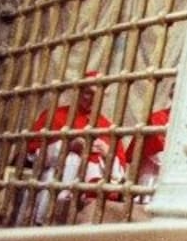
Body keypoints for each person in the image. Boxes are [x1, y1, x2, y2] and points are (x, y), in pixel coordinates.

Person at [26, 71, 127, 223]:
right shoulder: (55, 115)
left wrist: (107, 154)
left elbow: (118, 175)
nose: (94, 99)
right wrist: (67, 146)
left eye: (99, 94)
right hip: (56, 187)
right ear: (78, 92)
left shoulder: (108, 127)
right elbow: (32, 155)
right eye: (88, 93)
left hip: (91, 200)